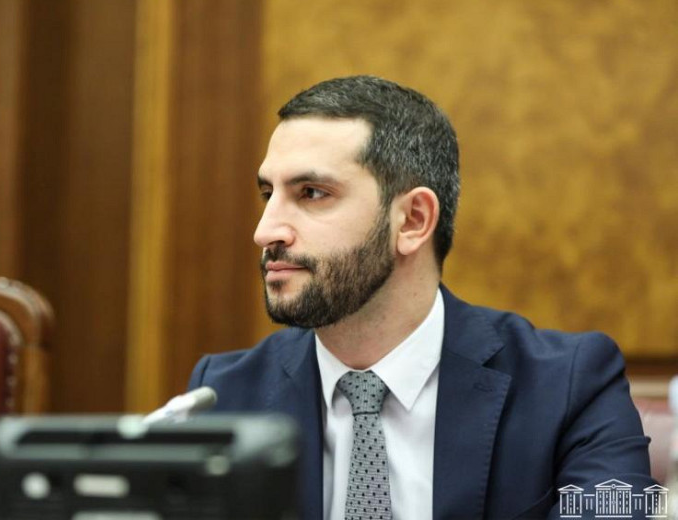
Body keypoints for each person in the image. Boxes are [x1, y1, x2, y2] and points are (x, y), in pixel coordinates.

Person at [188, 76, 654, 519]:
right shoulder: (223, 396)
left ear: (412, 220)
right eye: (267, 194)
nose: (265, 231)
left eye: (311, 193)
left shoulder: (569, 387)